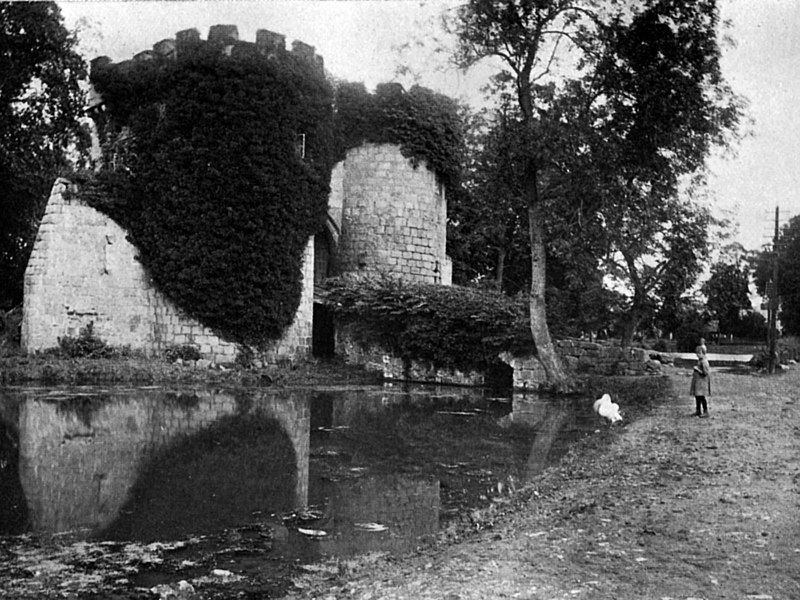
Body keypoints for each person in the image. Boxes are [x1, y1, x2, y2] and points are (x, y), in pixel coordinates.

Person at [690, 344, 711, 417]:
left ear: (703, 353)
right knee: (697, 396)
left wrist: (698, 370)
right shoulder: (700, 360)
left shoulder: (704, 361)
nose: (698, 355)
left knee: (702, 397)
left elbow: (705, 373)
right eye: (697, 353)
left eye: (699, 353)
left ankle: (706, 411)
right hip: (698, 382)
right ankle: (698, 410)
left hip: (702, 382)